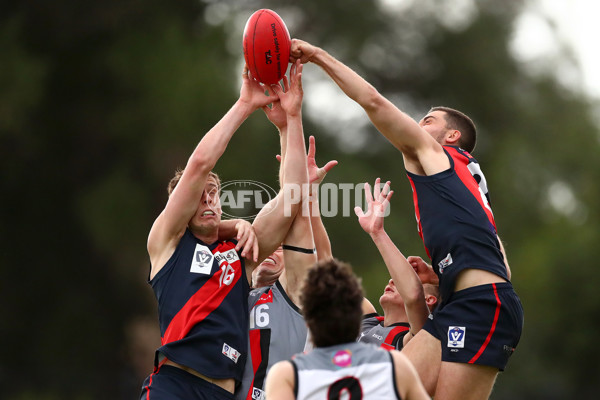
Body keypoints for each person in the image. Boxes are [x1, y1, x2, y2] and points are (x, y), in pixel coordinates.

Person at [291, 40, 524, 399]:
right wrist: (448, 276)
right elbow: (497, 260)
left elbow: (372, 101)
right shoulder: (458, 187)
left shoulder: (439, 155)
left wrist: (319, 56)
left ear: (452, 136)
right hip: (461, 303)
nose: (416, 125)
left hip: (482, 304)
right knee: (378, 391)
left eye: (427, 120)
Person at [140, 61, 309, 400]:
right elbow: (200, 165)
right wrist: (245, 104)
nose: (206, 200)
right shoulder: (166, 243)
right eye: (197, 197)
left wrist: (291, 120)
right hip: (173, 385)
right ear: (181, 211)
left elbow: (293, 197)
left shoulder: (241, 252)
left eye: (213, 195)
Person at [237, 134, 337, 400]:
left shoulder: (291, 293)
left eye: (284, 249)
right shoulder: (234, 290)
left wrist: (305, 190)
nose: (275, 250)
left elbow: (321, 257)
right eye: (273, 245)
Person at [265, 259, 430, 400]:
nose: (393, 281)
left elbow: (414, 299)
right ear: (357, 315)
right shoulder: (395, 364)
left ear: (307, 322)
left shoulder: (288, 374)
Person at [355, 179, 439, 351]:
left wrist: (378, 233)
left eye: (407, 280)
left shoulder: (413, 339)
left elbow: (414, 297)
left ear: (428, 300)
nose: (393, 280)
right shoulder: (368, 322)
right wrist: (306, 196)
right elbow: (322, 269)